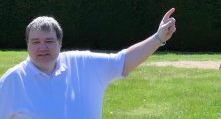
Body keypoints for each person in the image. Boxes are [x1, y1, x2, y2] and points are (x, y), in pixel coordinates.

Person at [0, 8, 176, 119]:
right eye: (36, 42)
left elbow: (124, 61)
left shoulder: (82, 64)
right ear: (27, 44)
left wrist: (158, 38)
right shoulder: (13, 81)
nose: (42, 48)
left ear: (60, 43)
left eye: (49, 41)